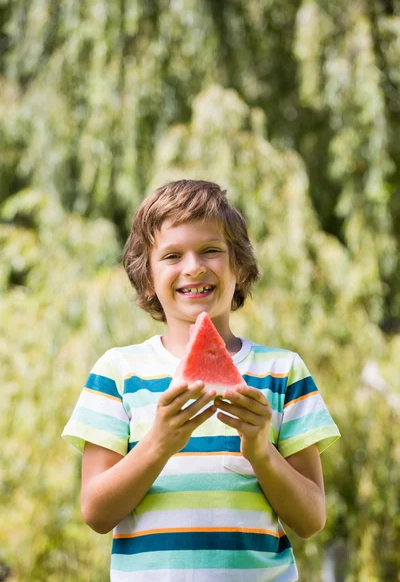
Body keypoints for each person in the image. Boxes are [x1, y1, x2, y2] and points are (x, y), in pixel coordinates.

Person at [62, 179, 340, 581]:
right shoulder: (118, 372)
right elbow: (96, 513)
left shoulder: (283, 371)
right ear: (147, 279)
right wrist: (159, 442)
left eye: (211, 250)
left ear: (240, 268)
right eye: (172, 255)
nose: (193, 267)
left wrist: (261, 451)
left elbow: (311, 519)